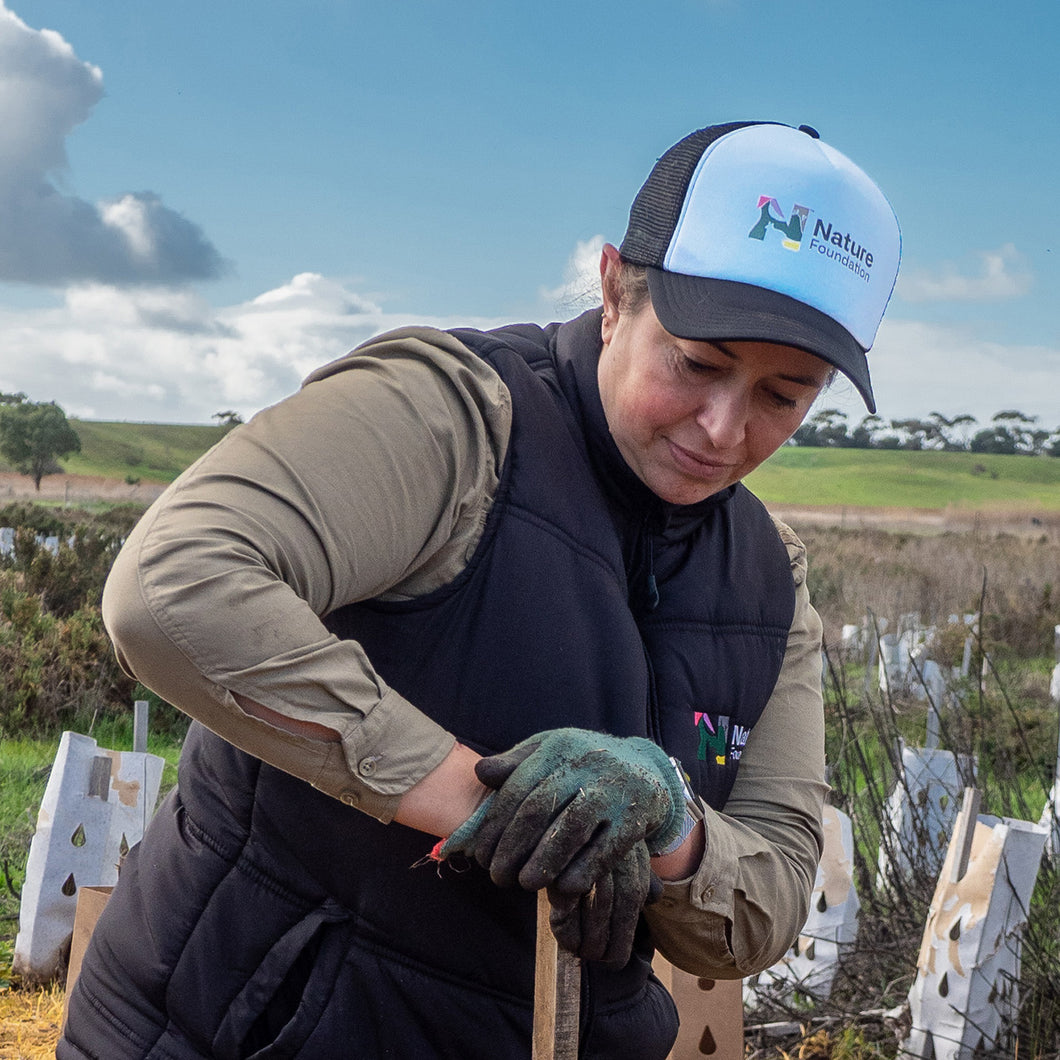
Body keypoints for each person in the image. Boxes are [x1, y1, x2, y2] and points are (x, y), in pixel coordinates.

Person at [60, 120, 900, 1060]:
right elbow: (173, 586)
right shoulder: (457, 417)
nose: (721, 427)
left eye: (784, 395)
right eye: (696, 364)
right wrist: (484, 803)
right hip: (240, 1024)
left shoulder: (767, 582)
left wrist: (669, 824)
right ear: (616, 289)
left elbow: (771, 893)